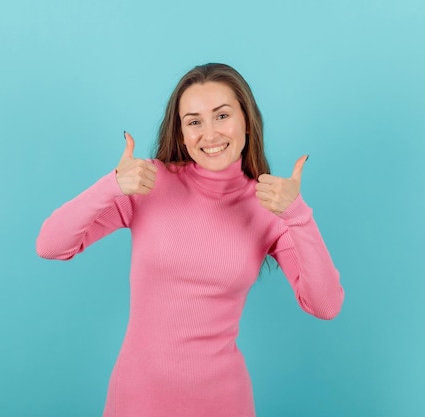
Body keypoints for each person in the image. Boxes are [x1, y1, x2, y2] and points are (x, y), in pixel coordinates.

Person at [36, 63, 344, 417]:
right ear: (181, 133)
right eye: (194, 121)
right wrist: (112, 185)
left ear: (247, 120)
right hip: (138, 400)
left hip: (224, 403)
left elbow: (325, 305)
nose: (209, 134)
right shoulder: (149, 183)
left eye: (222, 115)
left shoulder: (270, 206)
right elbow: (51, 245)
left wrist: (298, 216)